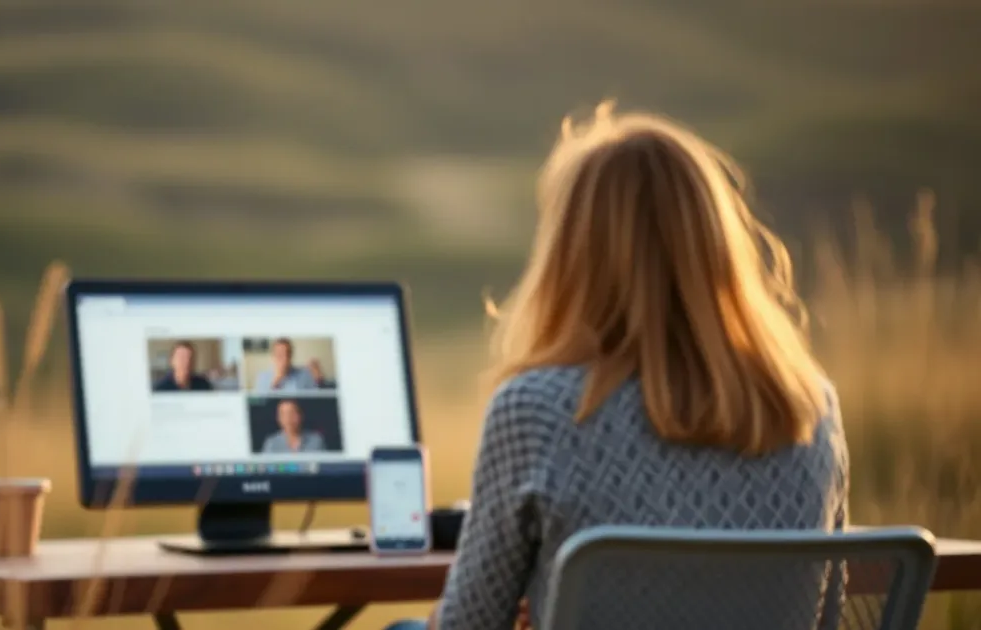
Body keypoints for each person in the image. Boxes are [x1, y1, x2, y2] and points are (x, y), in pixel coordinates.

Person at [390, 102, 849, 630]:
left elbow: (467, 625)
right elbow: (826, 615)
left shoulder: (535, 409)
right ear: (717, 246)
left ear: (570, 255)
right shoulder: (810, 405)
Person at [252, 338, 322, 392]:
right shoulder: (262, 377)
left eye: (288, 354)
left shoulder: (304, 373)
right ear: (273, 356)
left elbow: (315, 396)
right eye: (280, 354)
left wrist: (318, 381)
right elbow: (260, 403)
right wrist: (275, 382)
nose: (285, 358)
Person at [260, 399, 327, 453]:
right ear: (278, 418)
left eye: (292, 413)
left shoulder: (316, 441)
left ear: (301, 415)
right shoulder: (271, 443)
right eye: (284, 414)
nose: (288, 419)